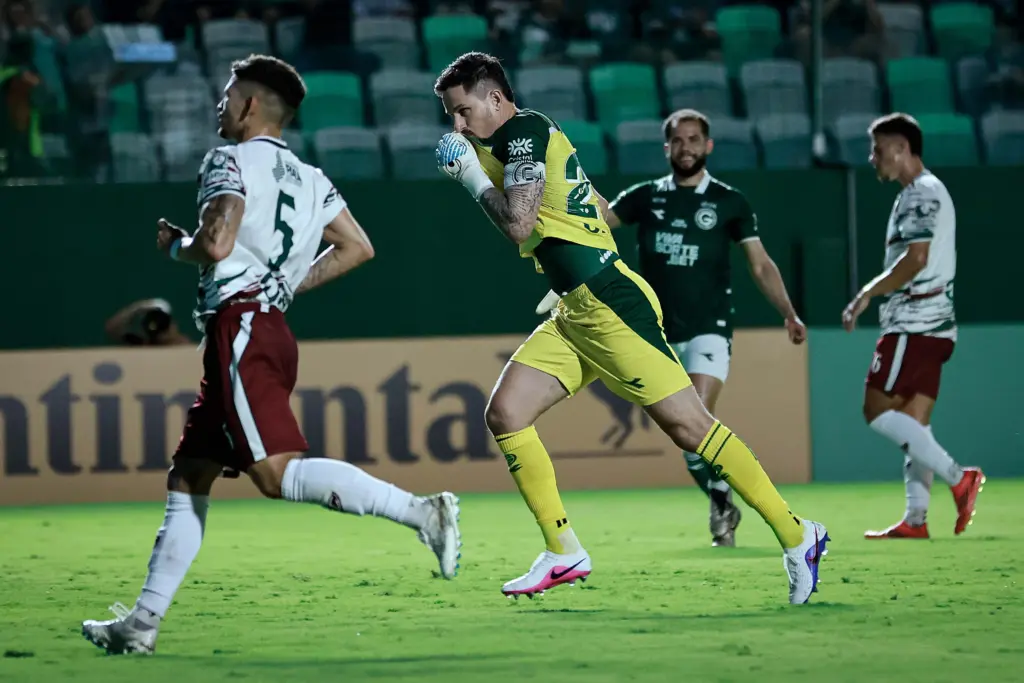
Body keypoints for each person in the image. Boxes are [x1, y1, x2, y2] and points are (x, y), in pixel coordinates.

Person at [82, 54, 461, 656]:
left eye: (228, 94)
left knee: (274, 475)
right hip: (265, 327)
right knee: (189, 476)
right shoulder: (312, 178)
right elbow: (357, 247)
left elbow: (215, 242)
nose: (220, 104)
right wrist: (286, 284)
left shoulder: (228, 160)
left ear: (251, 105)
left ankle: (423, 512)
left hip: (242, 328)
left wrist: (175, 245)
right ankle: (142, 624)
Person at [433, 51, 827, 604]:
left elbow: (519, 221)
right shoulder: (515, 137)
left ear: (495, 98)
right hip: (576, 308)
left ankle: (798, 534)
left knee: (691, 429)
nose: (457, 123)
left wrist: (471, 178)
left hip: (610, 304)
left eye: (462, 110)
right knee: (506, 412)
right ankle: (563, 549)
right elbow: (578, 205)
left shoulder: (522, 134)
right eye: (450, 115)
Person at [536, 109, 806, 548]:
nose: (686, 148)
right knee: (686, 438)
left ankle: (773, 521)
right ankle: (721, 497)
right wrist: (569, 178)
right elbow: (598, 219)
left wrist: (788, 312)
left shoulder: (729, 202)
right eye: (677, 141)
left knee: (696, 417)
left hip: (709, 329)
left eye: (694, 139)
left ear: (708, 146)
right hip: (653, 332)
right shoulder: (646, 197)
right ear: (667, 148)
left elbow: (760, 263)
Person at [842, 112, 984, 540]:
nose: (873, 159)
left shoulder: (921, 194)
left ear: (902, 148)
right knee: (913, 422)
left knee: (876, 408)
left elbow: (916, 258)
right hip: (936, 324)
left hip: (914, 323)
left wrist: (867, 292)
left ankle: (959, 477)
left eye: (878, 149)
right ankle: (916, 519)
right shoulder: (924, 191)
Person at [105, 298, 193, 346]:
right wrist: (136, 308)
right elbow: (112, 328)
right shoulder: (142, 345)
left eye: (164, 324)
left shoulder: (182, 345)